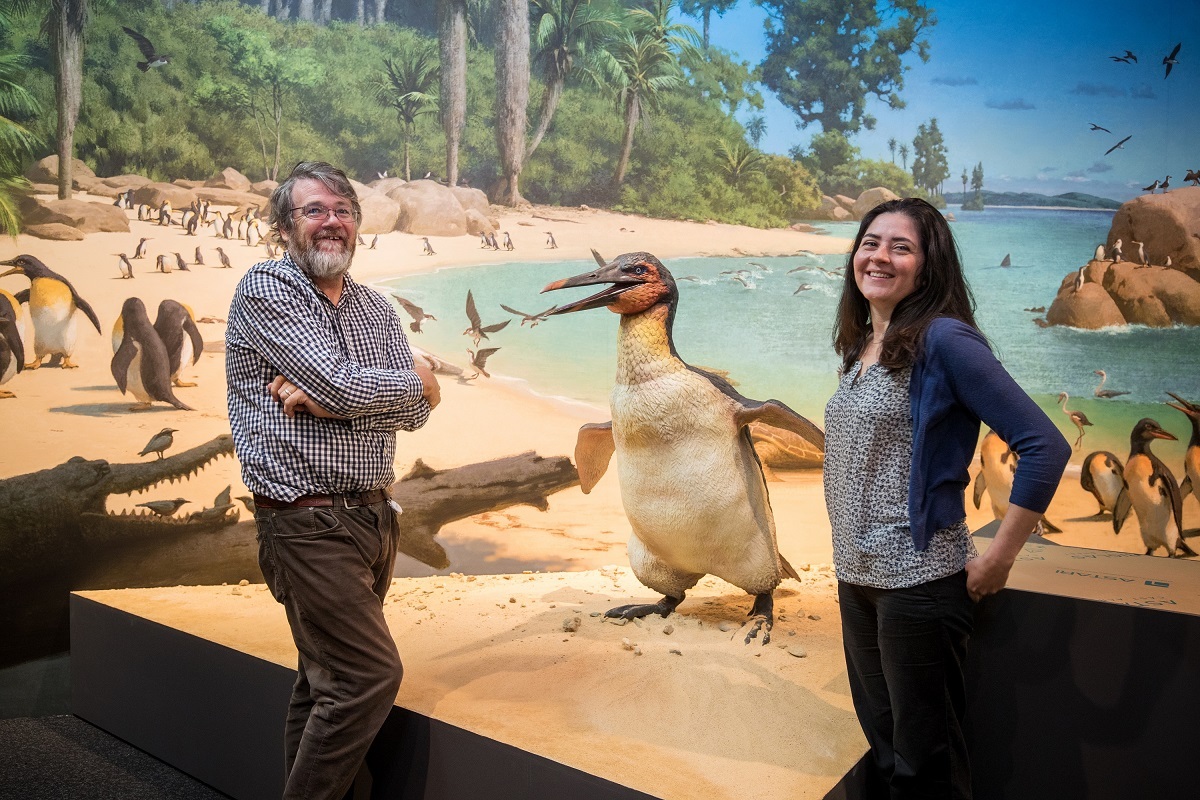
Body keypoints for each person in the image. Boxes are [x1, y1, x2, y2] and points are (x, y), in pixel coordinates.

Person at [822, 197, 1069, 798]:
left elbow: (1045, 445)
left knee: (924, 768)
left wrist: (999, 558)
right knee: (884, 750)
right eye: (871, 242)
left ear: (928, 267)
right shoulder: (863, 346)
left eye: (900, 247)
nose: (879, 257)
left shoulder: (945, 341)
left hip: (919, 586)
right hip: (856, 580)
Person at [225, 161, 440, 799]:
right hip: (306, 519)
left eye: (343, 210)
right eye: (314, 210)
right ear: (284, 226)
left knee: (321, 683)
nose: (332, 222)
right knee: (367, 676)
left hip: (375, 517)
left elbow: (417, 408)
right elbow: (347, 386)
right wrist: (374, 389)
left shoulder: (374, 308)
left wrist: (345, 396)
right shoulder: (268, 288)